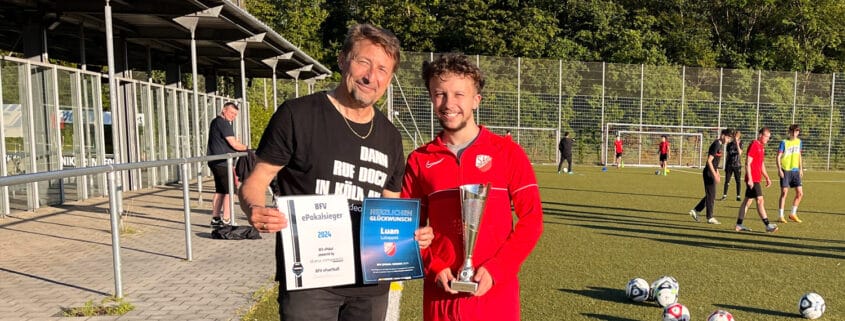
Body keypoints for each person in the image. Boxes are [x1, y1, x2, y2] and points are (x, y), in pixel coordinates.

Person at [237, 24, 433, 321]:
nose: (371, 76)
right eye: (363, 62)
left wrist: (412, 235)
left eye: (382, 69)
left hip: (370, 282)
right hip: (311, 280)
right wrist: (254, 208)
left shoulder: (391, 136)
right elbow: (256, 180)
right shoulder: (297, 115)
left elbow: (390, 205)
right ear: (342, 60)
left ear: (390, 78)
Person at [401, 53, 543, 321]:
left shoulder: (508, 153)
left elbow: (532, 219)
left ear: (476, 100)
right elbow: (408, 227)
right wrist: (435, 266)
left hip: (494, 296)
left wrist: (497, 269)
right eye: (440, 94)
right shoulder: (420, 160)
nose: (448, 103)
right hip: (440, 295)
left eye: (459, 94)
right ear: (431, 98)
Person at [207, 102, 248, 228]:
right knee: (230, 191)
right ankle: (227, 219)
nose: (233, 116)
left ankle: (215, 218)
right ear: (224, 110)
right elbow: (234, 144)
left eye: (235, 114)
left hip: (215, 161)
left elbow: (231, 144)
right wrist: (248, 149)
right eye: (231, 113)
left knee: (220, 190)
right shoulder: (224, 123)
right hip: (223, 162)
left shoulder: (215, 122)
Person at [734, 127, 779, 233]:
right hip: (753, 179)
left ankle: (739, 224)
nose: (768, 139)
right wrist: (749, 178)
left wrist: (767, 177)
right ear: (760, 135)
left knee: (747, 202)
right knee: (760, 200)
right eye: (767, 137)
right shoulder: (754, 144)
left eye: (769, 137)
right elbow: (747, 163)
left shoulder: (761, 147)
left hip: (756, 178)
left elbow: (761, 163)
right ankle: (768, 225)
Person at [689, 129, 732, 225]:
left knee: (710, 195)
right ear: (723, 135)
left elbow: (715, 162)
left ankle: (696, 210)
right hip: (708, 173)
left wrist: (717, 173)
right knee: (711, 195)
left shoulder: (720, 145)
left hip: (712, 172)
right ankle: (710, 217)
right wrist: (714, 174)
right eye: (728, 138)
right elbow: (709, 161)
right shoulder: (716, 144)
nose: (728, 140)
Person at [776, 124, 804, 223]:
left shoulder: (799, 142)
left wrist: (801, 169)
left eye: (796, 131)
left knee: (800, 193)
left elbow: (799, 155)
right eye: (792, 131)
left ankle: (793, 213)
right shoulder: (784, 142)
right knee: (784, 193)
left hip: (795, 171)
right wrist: (779, 169)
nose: (794, 133)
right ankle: (780, 216)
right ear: (789, 132)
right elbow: (778, 156)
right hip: (785, 170)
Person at [721, 130, 743, 201]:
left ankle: (738, 196)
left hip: (737, 165)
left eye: (737, 136)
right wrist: (725, 165)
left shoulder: (741, 143)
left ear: (739, 137)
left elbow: (740, 153)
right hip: (729, 165)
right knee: (727, 181)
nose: (735, 137)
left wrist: (737, 143)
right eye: (734, 136)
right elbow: (728, 155)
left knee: (738, 181)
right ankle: (724, 195)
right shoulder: (729, 144)